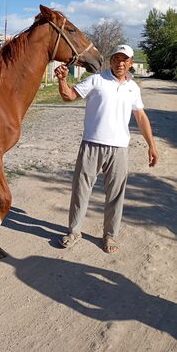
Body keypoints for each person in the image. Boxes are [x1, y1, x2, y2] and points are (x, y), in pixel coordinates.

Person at [54, 44, 159, 253]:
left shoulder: (133, 88)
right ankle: (74, 231)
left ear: (130, 63)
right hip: (92, 144)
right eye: (116, 59)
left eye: (125, 60)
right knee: (80, 191)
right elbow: (69, 96)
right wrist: (62, 80)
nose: (120, 63)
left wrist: (152, 145)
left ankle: (110, 235)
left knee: (115, 195)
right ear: (111, 61)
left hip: (119, 149)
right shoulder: (97, 80)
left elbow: (140, 117)